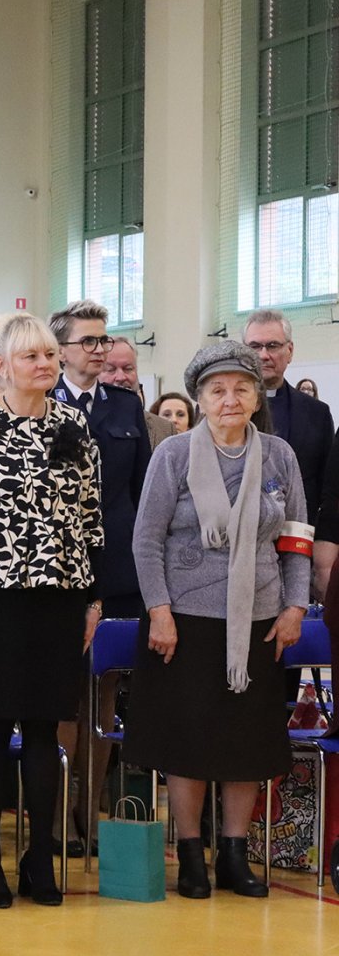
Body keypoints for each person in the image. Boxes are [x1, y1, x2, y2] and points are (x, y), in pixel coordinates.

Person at [124, 341, 308, 899]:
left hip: (259, 618)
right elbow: (146, 539)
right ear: (200, 399)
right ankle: (190, 855)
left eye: (241, 389)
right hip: (183, 621)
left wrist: (295, 606)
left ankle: (233, 855)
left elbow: (296, 539)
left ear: (256, 397)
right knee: (189, 741)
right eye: (217, 390)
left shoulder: (279, 456)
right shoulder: (173, 454)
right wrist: (158, 610)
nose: (230, 399)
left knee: (245, 742)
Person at [0, 312, 103, 908]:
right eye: (32, 356)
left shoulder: (73, 423)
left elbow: (92, 518)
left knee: (44, 730)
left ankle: (39, 858)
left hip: (61, 597)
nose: (45, 364)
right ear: (2, 366)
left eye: (51, 355)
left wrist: (94, 599)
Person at [49, 300, 150, 857]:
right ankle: (57, 815)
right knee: (65, 693)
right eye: (87, 341)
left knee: (106, 688)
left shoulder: (124, 406)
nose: (99, 350)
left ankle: (90, 811)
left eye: (103, 340)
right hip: (60, 567)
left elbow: (140, 493)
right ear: (60, 350)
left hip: (117, 567)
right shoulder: (42, 401)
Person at [245, 310, 332, 593]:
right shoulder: (225, 409)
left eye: (272, 345)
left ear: (290, 351)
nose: (263, 355)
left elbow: (326, 488)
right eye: (255, 346)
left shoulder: (317, 414)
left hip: (296, 547)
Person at [103, 336, 175, 449]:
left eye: (128, 368)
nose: (121, 377)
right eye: (111, 370)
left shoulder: (165, 429)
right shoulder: (85, 423)